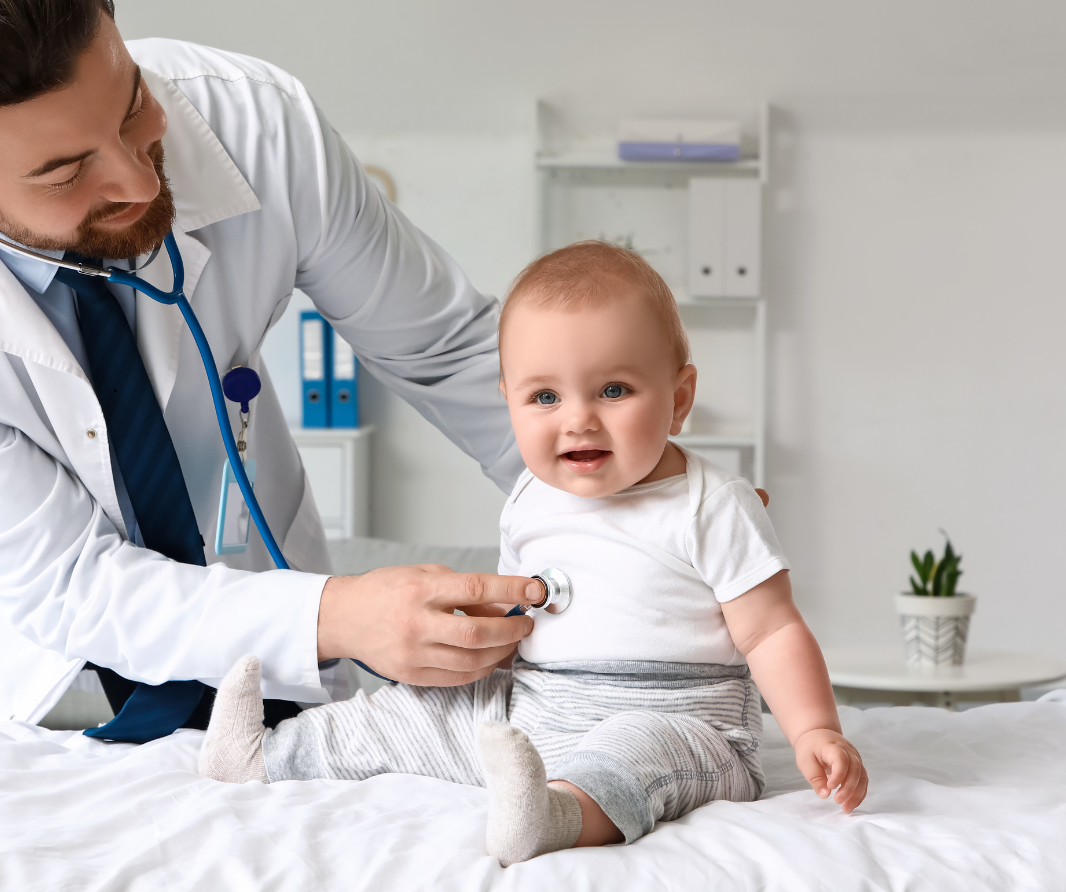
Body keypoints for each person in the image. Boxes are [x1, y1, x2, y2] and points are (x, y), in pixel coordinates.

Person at [0, 0, 548, 738]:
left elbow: (450, 353)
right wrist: (339, 613)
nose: (134, 177)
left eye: (131, 107)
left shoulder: (263, 127)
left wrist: (634, 509)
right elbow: (67, 581)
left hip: (255, 644)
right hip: (2, 678)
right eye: (64, 169)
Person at [197, 240, 869, 865]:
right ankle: (268, 753)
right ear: (509, 403)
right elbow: (525, 611)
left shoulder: (711, 503)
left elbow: (774, 629)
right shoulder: (529, 497)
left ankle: (557, 814)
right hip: (535, 704)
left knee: (639, 754)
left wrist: (813, 730)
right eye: (545, 396)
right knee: (413, 710)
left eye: (614, 390)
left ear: (679, 397)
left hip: (680, 714)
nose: (578, 417)